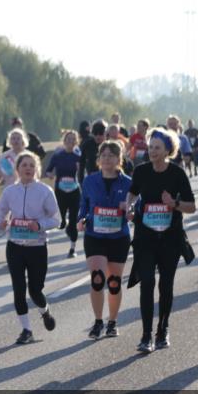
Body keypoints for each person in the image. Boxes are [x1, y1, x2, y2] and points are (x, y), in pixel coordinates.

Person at [125, 129, 196, 353]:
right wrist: (128, 205)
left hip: (170, 238)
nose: (152, 151)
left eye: (157, 147)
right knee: (147, 283)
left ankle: (162, 328)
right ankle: (146, 336)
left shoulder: (177, 174)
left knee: (166, 285)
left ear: (168, 150)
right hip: (145, 237)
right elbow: (133, 193)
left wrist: (173, 204)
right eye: (150, 147)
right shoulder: (141, 171)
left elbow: (191, 207)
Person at [0, 152, 60, 345]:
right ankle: (26, 330)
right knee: (18, 289)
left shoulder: (45, 191)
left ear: (37, 169)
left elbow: (57, 219)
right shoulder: (9, 192)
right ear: (18, 169)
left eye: (32, 165)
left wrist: (39, 225)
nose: (28, 168)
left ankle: (44, 311)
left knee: (35, 290)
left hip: (37, 247)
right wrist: (1, 225)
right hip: (15, 246)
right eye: (24, 165)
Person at [77, 141, 132, 340]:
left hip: (118, 237)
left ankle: (113, 322)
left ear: (119, 159)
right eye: (104, 155)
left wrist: (128, 209)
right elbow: (83, 205)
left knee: (114, 282)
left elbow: (136, 208)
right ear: (99, 159)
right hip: (95, 235)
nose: (107, 158)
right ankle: (98, 321)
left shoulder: (128, 183)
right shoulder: (90, 181)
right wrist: (81, 219)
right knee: (98, 278)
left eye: (112, 155)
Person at [45, 130, 82, 258]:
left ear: (76, 142)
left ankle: (72, 248)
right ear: (64, 141)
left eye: (73, 140)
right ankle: (66, 227)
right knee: (60, 221)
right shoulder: (57, 155)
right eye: (68, 139)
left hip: (74, 191)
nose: (70, 142)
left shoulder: (78, 157)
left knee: (73, 222)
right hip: (60, 191)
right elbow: (48, 170)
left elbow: (83, 172)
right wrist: (50, 174)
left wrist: (80, 168)